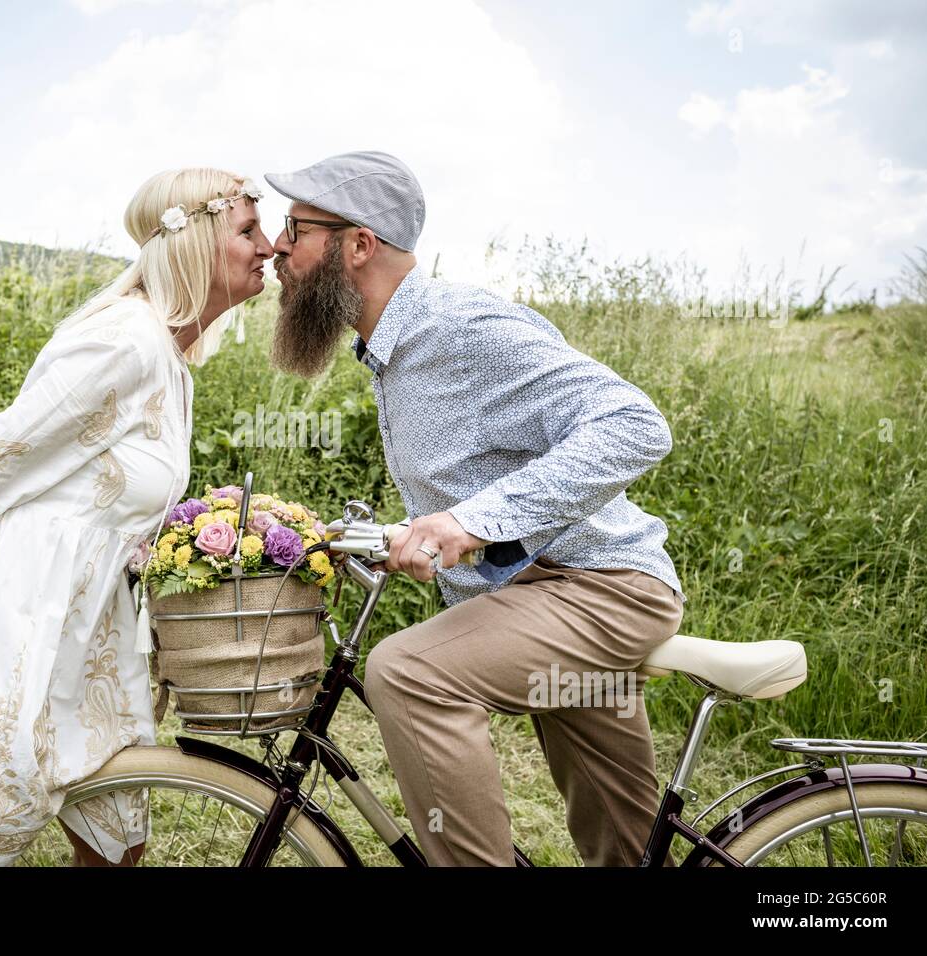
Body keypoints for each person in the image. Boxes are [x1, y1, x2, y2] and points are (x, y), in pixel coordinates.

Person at [0, 168, 274, 866]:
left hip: (87, 625)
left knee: (116, 844)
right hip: (10, 613)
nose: (271, 247)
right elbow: (0, 453)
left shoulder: (167, 358)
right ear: (192, 243)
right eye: (248, 230)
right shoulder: (124, 342)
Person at [265, 150, 685, 866]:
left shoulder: (459, 328)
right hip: (541, 601)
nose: (278, 246)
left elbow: (635, 426)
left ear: (358, 244)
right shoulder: (391, 351)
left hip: (597, 590)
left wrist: (469, 523)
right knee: (628, 851)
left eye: (295, 228)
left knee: (408, 673)